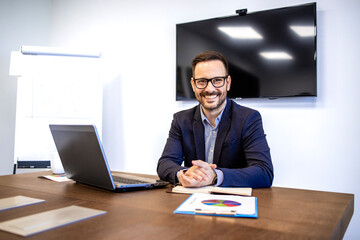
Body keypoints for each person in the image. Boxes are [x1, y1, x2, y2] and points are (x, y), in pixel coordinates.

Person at [157, 51, 273, 188]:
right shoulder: (181, 120)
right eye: (202, 82)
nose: (210, 89)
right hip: (191, 199)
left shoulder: (249, 118)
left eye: (217, 80)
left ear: (228, 83)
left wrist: (215, 176)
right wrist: (184, 173)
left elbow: (264, 172)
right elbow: (165, 163)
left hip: (233, 202)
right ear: (193, 85)